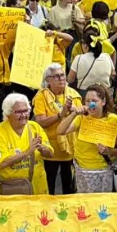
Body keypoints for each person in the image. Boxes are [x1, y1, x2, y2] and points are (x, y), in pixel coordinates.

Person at [55, 84, 117, 192]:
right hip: (81, 169)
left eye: (94, 100)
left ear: (103, 102)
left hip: (103, 170)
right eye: (87, 101)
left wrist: (109, 151)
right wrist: (74, 113)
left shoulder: (114, 120)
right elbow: (60, 131)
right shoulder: (82, 117)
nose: (90, 104)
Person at [33, 64, 83, 194]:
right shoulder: (41, 96)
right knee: (49, 188)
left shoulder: (74, 95)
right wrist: (60, 115)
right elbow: (41, 122)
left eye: (62, 75)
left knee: (69, 189)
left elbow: (80, 119)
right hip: (50, 150)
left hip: (70, 149)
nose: (61, 78)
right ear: (48, 80)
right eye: (56, 76)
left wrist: (72, 113)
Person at [0, 92, 53, 194]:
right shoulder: (0, 131)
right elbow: (0, 164)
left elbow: (50, 154)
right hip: (12, 189)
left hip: (38, 187)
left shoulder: (35, 127)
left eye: (26, 111)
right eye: (18, 112)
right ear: (8, 113)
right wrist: (26, 153)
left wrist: (42, 148)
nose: (23, 115)